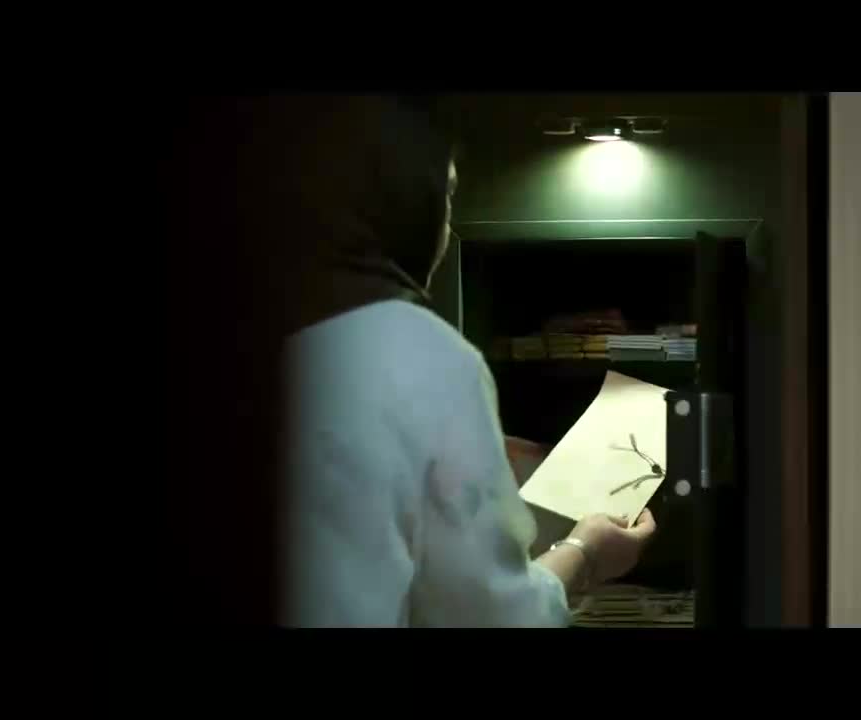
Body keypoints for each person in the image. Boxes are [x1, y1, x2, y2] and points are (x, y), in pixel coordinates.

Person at [274, 96, 657, 627]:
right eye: (448, 195)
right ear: (408, 204)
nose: (449, 228)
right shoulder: (416, 351)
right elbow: (492, 617)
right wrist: (587, 550)